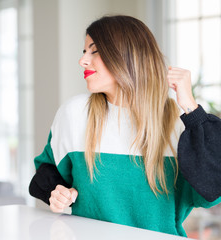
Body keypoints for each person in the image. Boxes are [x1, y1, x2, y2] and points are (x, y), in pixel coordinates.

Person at [29, 15, 221, 237]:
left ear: (126, 57)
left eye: (94, 51)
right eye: (84, 52)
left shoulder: (179, 121)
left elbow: (211, 193)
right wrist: (56, 192)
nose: (82, 61)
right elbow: (46, 170)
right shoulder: (74, 113)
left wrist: (191, 108)